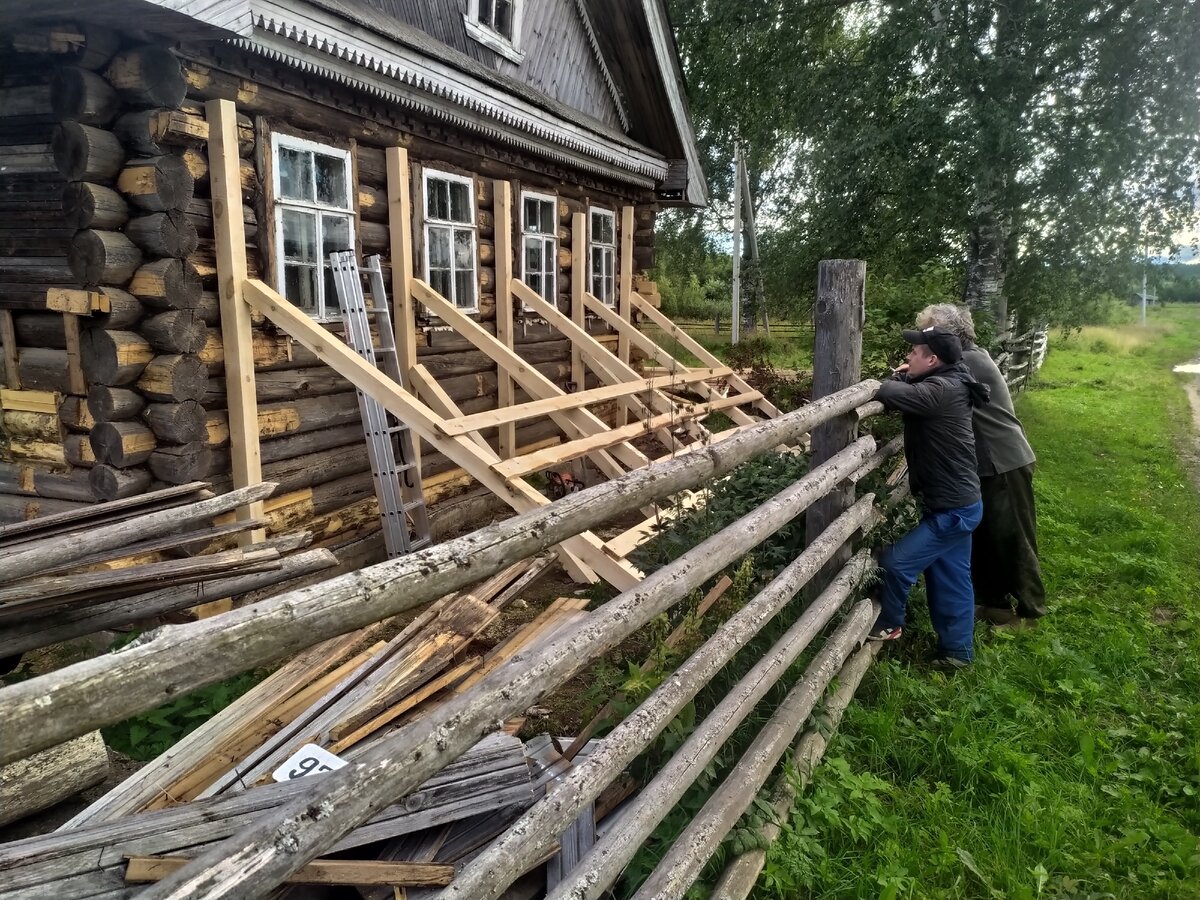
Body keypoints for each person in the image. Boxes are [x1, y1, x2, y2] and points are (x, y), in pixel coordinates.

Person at [915, 304, 1046, 627]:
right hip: (988, 462)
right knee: (987, 537)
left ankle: (1032, 610)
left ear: (949, 336)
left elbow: (926, 386)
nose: (924, 340)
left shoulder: (967, 361)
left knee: (1013, 538)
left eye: (929, 334)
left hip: (1004, 460)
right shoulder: (962, 359)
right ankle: (995, 607)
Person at [867, 325, 989, 669]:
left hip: (952, 510)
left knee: (895, 564)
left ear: (933, 359)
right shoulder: (953, 380)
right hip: (960, 503)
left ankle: (890, 623)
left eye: (914, 353)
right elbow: (913, 389)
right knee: (951, 578)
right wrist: (911, 377)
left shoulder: (940, 390)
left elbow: (887, 391)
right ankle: (958, 653)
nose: (908, 357)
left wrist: (895, 378)